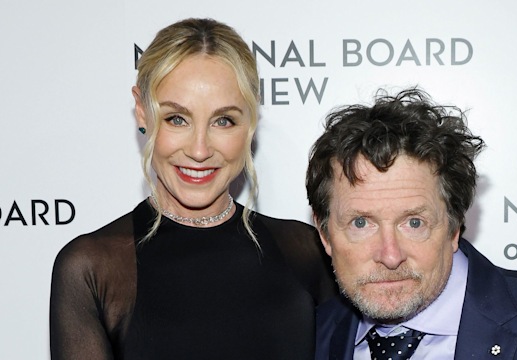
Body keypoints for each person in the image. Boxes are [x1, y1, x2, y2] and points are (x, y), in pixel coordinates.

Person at [50, 18, 336, 359]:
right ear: (142, 111)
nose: (199, 150)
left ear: (251, 121)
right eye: (177, 119)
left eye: (223, 120)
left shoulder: (306, 252)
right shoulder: (93, 268)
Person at [306, 88, 517, 359]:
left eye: (414, 223)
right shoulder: (306, 339)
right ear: (325, 234)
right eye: (361, 223)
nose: (390, 256)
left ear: (454, 227)